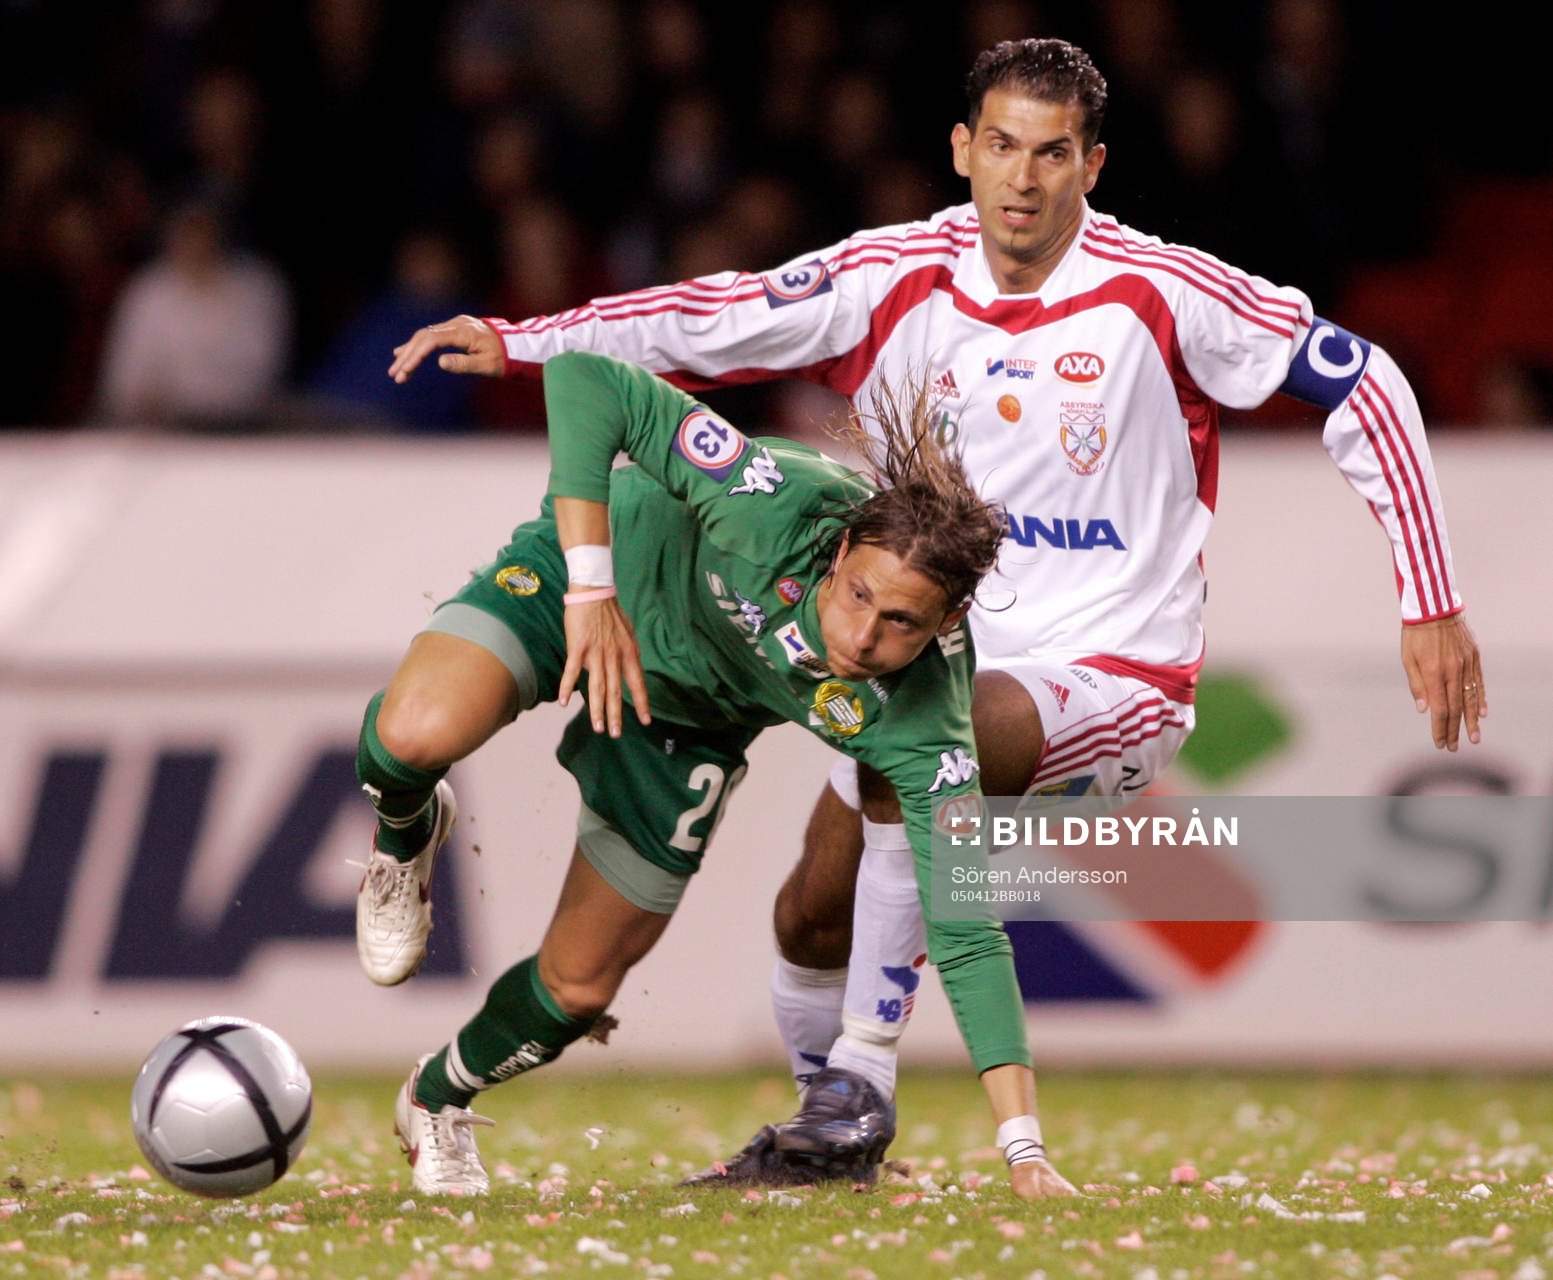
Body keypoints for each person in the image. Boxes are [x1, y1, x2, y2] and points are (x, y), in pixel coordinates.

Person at [384, 37, 1486, 1184]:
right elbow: (714, 318)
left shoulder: (1162, 293)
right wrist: (524, 341)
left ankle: (860, 1084)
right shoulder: (893, 274)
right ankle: (826, 1132)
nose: (1023, 178)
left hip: (1109, 672)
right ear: (962, 150)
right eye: (1002, 146)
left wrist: (1429, 598)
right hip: (912, 656)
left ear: (1091, 165)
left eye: (1052, 153)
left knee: (935, 751)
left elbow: (1360, 377)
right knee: (812, 909)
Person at [355, 348, 1076, 1197]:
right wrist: (588, 590)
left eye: (899, 623)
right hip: (597, 588)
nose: (860, 639)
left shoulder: (927, 722)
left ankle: (435, 1099)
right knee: (415, 736)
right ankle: (404, 829)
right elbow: (586, 378)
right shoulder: (765, 499)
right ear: (839, 549)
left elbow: (963, 929)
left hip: (688, 721)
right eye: (853, 596)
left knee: (580, 986)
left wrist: (1023, 1151)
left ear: (946, 620)